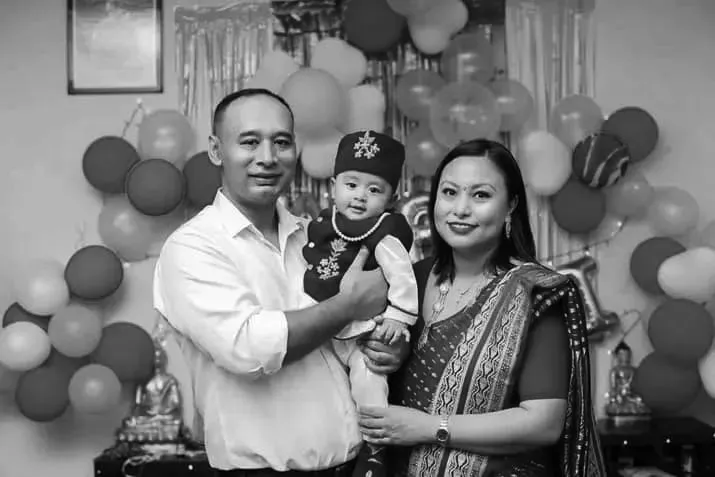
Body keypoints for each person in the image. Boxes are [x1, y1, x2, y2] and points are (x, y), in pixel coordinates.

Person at [153, 88, 408, 476]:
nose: (268, 157)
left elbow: (359, 331)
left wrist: (386, 348)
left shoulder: (317, 236)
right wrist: (347, 306)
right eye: (249, 142)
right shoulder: (192, 247)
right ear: (217, 150)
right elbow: (248, 349)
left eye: (282, 142)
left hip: (353, 466)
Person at [357, 139, 607, 476]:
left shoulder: (532, 292)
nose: (460, 209)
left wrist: (429, 427)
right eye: (449, 192)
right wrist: (383, 354)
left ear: (511, 205)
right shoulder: (406, 281)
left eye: (481, 195)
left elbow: (544, 423)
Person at [302, 130, 419, 477]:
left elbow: (402, 277)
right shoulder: (323, 224)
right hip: (322, 331)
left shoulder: (384, 231)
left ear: (392, 198)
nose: (359, 196)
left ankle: (375, 447)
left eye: (374, 190)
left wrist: (398, 318)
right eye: (351, 185)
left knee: (369, 381)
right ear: (334, 185)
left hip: (363, 333)